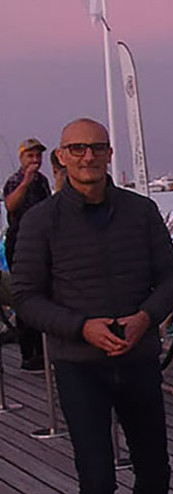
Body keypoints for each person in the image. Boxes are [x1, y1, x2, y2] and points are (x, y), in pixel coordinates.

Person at [11, 118, 173, 494]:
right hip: (79, 365)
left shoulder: (141, 211)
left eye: (97, 148)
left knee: (156, 468)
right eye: (77, 148)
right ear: (62, 157)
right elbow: (25, 297)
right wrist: (80, 327)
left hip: (137, 358)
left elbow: (172, 278)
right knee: (97, 481)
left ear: (110, 154)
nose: (88, 156)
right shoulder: (41, 221)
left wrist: (145, 317)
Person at [3, 137, 51, 371]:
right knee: (24, 294)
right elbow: (10, 205)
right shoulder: (14, 181)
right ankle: (28, 353)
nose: (35, 160)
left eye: (38, 156)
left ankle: (43, 351)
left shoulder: (43, 182)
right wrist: (25, 182)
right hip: (19, 243)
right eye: (30, 156)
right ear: (22, 158)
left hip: (41, 242)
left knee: (43, 292)